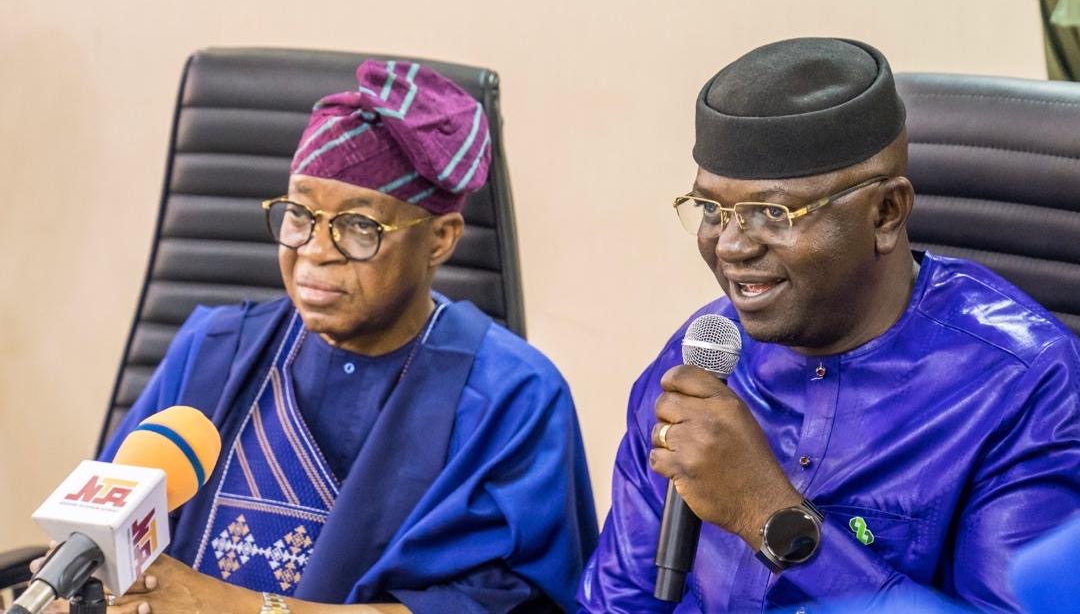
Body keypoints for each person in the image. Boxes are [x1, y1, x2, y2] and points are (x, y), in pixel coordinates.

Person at [577, 38, 1080, 612]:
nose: (732, 246)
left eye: (773, 213)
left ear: (886, 213)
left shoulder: (1024, 387)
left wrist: (770, 515)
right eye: (713, 210)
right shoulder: (703, 358)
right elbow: (617, 601)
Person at [84, 60, 597, 613]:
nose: (314, 249)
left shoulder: (514, 397)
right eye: (299, 214)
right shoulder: (214, 348)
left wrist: (239, 607)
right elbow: (105, 538)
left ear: (440, 240)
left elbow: (512, 607)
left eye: (358, 226)